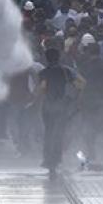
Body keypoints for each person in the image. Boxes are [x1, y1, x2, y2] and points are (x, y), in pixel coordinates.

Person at [37, 47, 84, 178]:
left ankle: (47, 160)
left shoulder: (43, 72)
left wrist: (39, 98)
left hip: (47, 106)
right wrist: (76, 98)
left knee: (48, 132)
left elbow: (42, 88)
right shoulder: (66, 71)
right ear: (59, 57)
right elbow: (81, 84)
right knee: (59, 133)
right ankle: (57, 159)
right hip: (62, 106)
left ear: (46, 59)